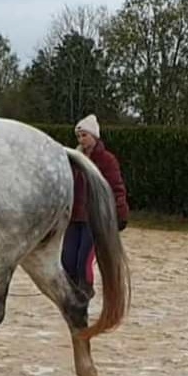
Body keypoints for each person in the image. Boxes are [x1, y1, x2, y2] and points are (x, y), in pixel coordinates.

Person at [62, 114, 129, 296]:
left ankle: (85, 293)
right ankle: (72, 296)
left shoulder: (107, 160)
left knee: (84, 262)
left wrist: (120, 214)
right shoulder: (74, 160)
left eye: (84, 135)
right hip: (74, 218)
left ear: (94, 136)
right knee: (67, 260)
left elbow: (116, 187)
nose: (81, 139)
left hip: (94, 219)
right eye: (78, 136)